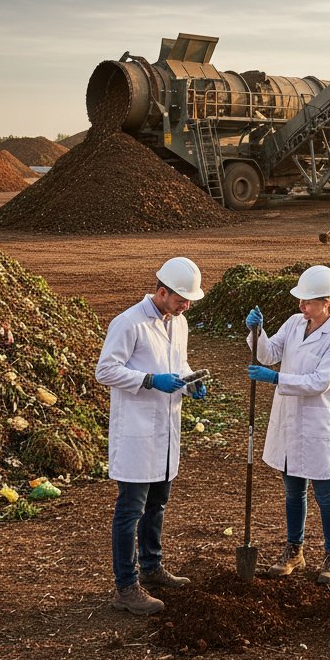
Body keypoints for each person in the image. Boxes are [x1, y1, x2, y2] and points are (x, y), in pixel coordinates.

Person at [95, 257, 207, 616]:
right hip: (137, 432)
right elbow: (105, 370)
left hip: (166, 430)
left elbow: (179, 365)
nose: (186, 306)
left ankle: (151, 566)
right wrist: (148, 380)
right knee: (130, 511)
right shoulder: (129, 323)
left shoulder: (179, 322)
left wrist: (190, 383)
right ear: (161, 292)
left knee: (157, 504)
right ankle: (126, 587)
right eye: (181, 300)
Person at [244, 264, 330, 584]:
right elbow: (268, 354)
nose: (301, 305)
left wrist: (276, 379)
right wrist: (257, 331)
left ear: (326, 303)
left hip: (317, 422)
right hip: (290, 419)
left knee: (325, 492)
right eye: (301, 300)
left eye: (308, 301)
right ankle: (295, 550)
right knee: (293, 491)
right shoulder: (294, 323)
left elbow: (319, 382)